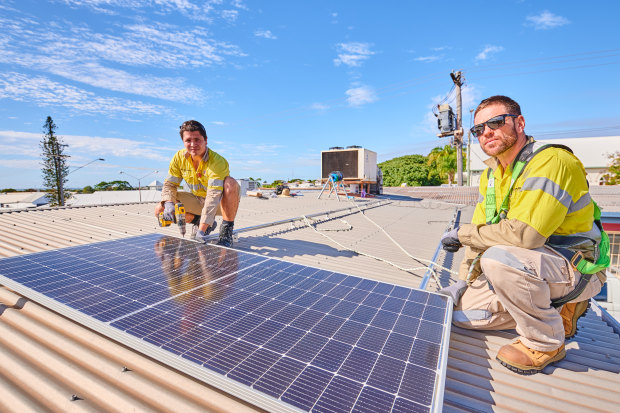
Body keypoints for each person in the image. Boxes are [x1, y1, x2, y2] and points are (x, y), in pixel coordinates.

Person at [439, 95, 608, 374]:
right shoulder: (492, 175)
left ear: (520, 123)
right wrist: (462, 281)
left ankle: (546, 342)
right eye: (478, 130)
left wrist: (464, 234)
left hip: (575, 267)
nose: (486, 133)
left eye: (495, 122)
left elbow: (527, 237)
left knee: (498, 259)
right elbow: (482, 230)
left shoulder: (552, 161)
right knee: (462, 316)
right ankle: (558, 309)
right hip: (532, 265)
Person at [155, 120, 240, 247]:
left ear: (205, 140)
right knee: (160, 210)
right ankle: (196, 220)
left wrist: (202, 229)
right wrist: (168, 204)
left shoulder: (217, 161)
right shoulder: (178, 158)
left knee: (230, 183)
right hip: (197, 200)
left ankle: (226, 231)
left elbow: (213, 196)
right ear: (183, 142)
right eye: (188, 140)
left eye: (197, 139)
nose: (193, 144)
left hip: (220, 204)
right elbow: (170, 185)